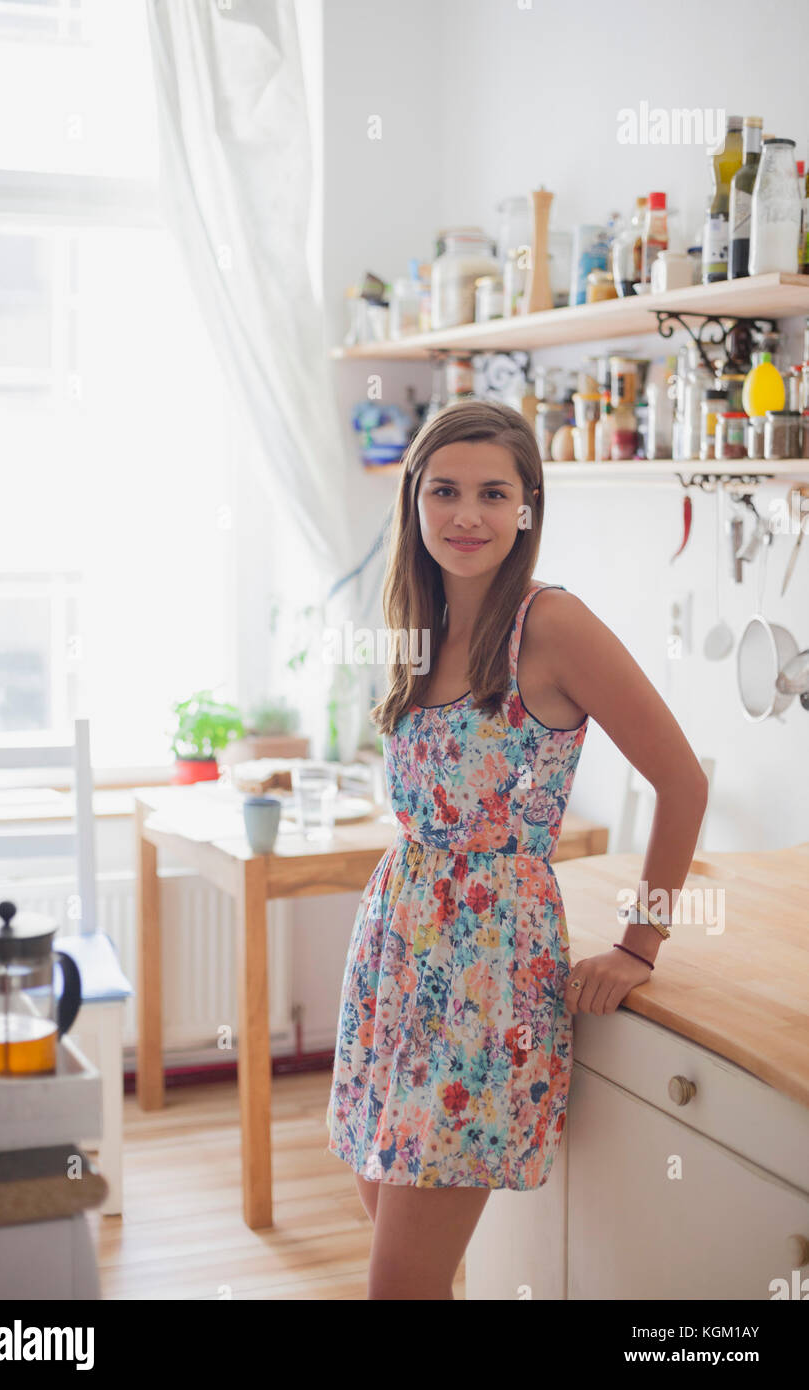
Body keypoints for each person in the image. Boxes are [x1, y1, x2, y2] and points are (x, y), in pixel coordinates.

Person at [324, 399, 708, 1300]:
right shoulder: (417, 623)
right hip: (396, 956)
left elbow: (682, 783)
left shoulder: (552, 624)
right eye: (445, 490)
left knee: (398, 1284)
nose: (467, 515)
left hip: (485, 972)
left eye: (494, 494)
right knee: (391, 1232)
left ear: (527, 507)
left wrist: (638, 944)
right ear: (413, 500)